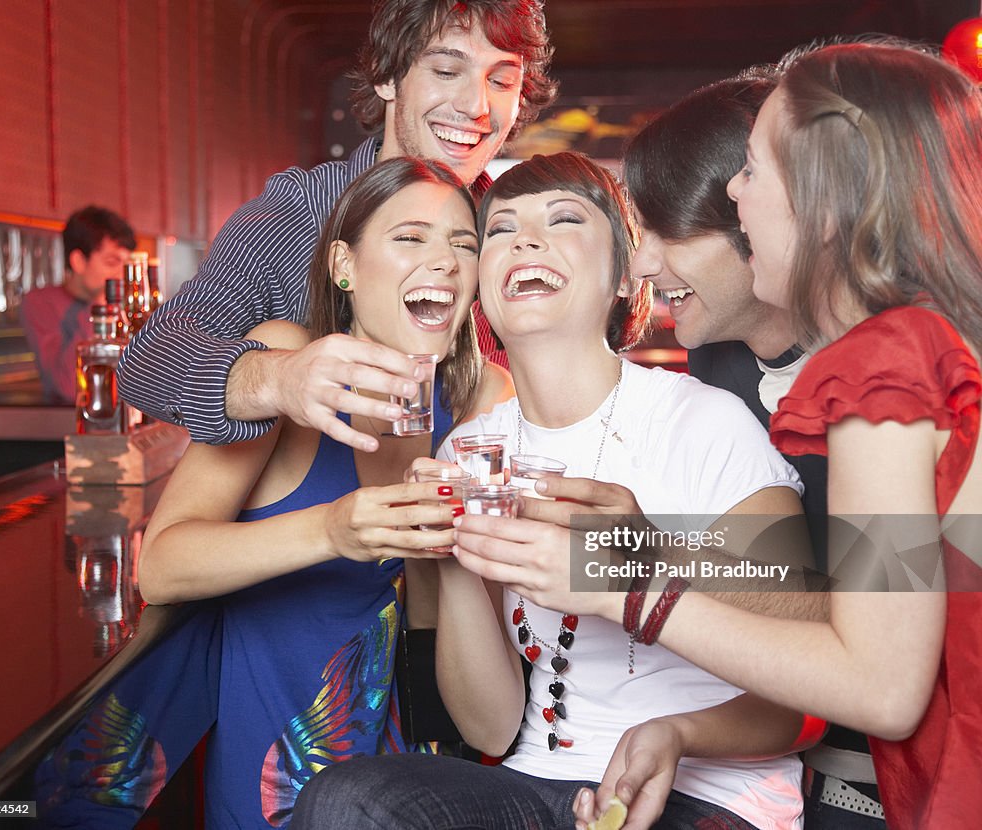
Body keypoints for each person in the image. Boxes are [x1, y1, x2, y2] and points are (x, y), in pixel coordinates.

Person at [290, 152, 821, 830]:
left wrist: (677, 731)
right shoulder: (470, 452)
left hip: (708, 794)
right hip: (537, 788)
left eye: (564, 219)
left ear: (625, 276)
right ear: (479, 284)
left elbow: (809, 687)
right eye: (501, 230)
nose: (526, 240)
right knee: (343, 802)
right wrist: (452, 551)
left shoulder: (702, 421)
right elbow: (489, 729)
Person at [567, 41, 982, 830]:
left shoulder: (886, 364)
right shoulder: (937, 343)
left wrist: (623, 582)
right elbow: (898, 596)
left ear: (823, 196)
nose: (732, 191)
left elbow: (881, 686)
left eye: (752, 168)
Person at [137, 157, 514, 828]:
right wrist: (332, 530)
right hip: (274, 790)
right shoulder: (284, 360)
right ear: (344, 265)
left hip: (418, 791)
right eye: (410, 237)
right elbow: (161, 567)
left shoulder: (484, 401)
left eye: (464, 243)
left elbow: (486, 716)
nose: (446, 262)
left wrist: (451, 550)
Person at [117, 0, 556, 450]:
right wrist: (279, 379)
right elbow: (149, 361)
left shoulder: (516, 229)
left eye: (501, 81)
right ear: (387, 77)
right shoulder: (301, 212)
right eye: (446, 71)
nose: (476, 105)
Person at [622, 73, 879, 828]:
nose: (641, 266)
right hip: (801, 755)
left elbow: (868, 621)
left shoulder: (888, 371)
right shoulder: (721, 367)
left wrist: (618, 562)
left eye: (668, 233)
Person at [21, 205, 135, 403]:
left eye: (125, 264)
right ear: (79, 261)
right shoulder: (41, 303)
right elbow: (66, 385)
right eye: (111, 262)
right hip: (67, 424)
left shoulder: (127, 306)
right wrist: (100, 310)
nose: (120, 274)